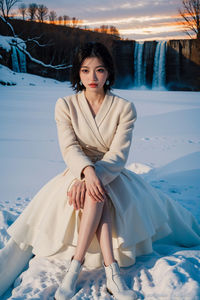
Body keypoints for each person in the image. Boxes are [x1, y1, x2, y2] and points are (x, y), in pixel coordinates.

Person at [0, 42, 200, 300]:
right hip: (77, 170)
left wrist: (94, 176)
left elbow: (118, 155)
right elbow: (69, 147)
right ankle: (111, 272)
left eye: (99, 70)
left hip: (111, 172)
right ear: (77, 73)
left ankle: (75, 267)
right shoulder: (65, 105)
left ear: (109, 73)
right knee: (96, 193)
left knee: (97, 192)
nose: (92, 78)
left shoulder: (124, 108)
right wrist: (85, 173)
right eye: (85, 71)